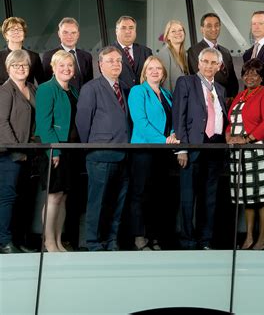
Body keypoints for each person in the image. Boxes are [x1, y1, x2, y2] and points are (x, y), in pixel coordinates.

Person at [76, 46, 130, 251]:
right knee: (98, 202)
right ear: (100, 65)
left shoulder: (124, 87)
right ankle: (93, 243)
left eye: (118, 61)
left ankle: (111, 240)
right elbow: (83, 123)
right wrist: (92, 148)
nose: (116, 64)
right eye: (110, 61)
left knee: (118, 202)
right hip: (100, 154)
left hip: (124, 154)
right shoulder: (91, 88)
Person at [172, 47, 227, 249]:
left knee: (209, 198)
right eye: (205, 61)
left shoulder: (220, 89)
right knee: (188, 198)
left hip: (215, 148)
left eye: (214, 63)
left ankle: (205, 240)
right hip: (193, 146)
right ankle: (187, 240)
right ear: (198, 63)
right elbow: (179, 115)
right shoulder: (186, 83)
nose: (209, 66)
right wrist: (182, 148)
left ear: (219, 66)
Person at [227, 58, 264, 250]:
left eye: (254, 73)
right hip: (241, 153)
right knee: (247, 195)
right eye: (246, 73)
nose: (249, 77)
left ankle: (263, 236)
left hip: (262, 149)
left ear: (261, 77)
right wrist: (229, 135)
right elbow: (230, 121)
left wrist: (247, 138)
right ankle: (249, 236)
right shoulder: (240, 96)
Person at [128, 55, 178, 251]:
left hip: (162, 152)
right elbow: (140, 123)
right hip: (143, 151)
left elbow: (173, 121)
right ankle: (139, 238)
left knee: (159, 196)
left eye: (158, 68)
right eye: (151, 68)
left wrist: (172, 135)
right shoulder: (138, 91)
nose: (155, 71)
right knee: (140, 195)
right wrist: (164, 140)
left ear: (163, 73)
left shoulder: (166, 94)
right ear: (144, 72)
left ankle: (154, 236)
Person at [35, 50, 79, 252]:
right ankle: (48, 242)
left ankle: (58, 241)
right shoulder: (46, 89)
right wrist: (55, 151)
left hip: (71, 150)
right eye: (61, 65)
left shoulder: (73, 91)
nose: (66, 69)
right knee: (53, 196)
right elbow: (44, 125)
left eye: (70, 65)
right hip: (54, 150)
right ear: (53, 68)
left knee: (63, 197)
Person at [0, 50, 36, 254]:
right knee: (7, 197)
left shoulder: (32, 88)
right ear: (8, 69)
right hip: (8, 154)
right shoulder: (5, 91)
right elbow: (1, 123)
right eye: (16, 65)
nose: (21, 68)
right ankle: (4, 241)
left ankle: (20, 240)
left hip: (28, 153)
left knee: (24, 198)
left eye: (24, 65)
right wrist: (16, 150)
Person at [188, 13, 239, 100]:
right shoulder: (194, 51)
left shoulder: (225, 52)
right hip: (210, 99)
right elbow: (199, 77)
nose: (214, 29)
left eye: (217, 25)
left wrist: (232, 97)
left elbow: (232, 79)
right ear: (202, 29)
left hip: (228, 101)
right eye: (209, 26)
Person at [42, 17, 93, 91]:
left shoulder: (87, 56)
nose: (69, 36)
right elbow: (46, 85)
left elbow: (89, 84)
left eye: (73, 33)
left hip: (84, 100)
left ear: (78, 34)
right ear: (59, 34)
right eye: (65, 32)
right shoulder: (49, 56)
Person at [0, 17, 45, 85]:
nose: (16, 32)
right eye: (12, 30)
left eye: (20, 29)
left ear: (24, 34)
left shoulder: (33, 56)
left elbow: (42, 82)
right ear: (6, 35)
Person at [112, 16, 152, 90]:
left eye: (131, 28)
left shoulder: (146, 51)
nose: (128, 31)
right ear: (116, 31)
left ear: (135, 31)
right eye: (123, 28)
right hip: (120, 98)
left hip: (142, 97)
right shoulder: (107, 52)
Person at [158, 20, 189, 92]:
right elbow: (165, 83)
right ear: (167, 36)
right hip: (173, 99)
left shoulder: (185, 54)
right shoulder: (164, 53)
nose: (178, 33)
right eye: (173, 31)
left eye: (180, 30)